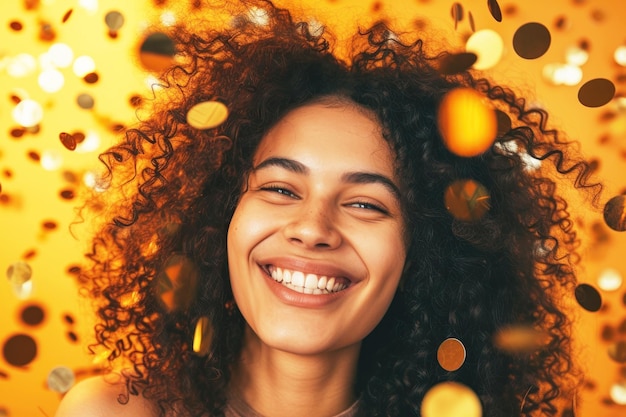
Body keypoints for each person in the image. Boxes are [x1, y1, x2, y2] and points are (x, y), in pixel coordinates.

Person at [55, 0, 600, 416]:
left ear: (426, 254)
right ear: (222, 215)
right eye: (280, 189)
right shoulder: (110, 409)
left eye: (365, 203)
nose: (313, 229)